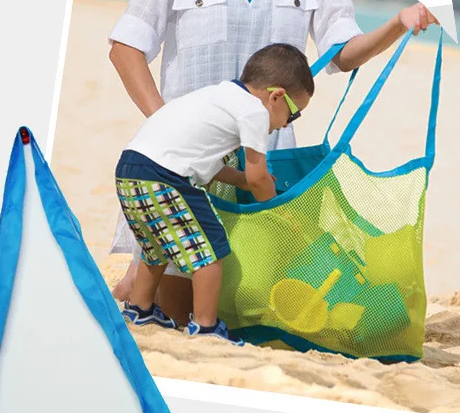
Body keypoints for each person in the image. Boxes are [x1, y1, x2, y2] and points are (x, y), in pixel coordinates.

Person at [107, 0, 438, 325]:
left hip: (263, 162)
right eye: (293, 114)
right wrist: (170, 127)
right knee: (180, 307)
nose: (291, 119)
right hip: (183, 174)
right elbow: (125, 46)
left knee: (250, 306)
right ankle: (149, 294)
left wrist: (399, 22)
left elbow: (343, 52)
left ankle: (141, 293)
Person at [116, 43, 314, 345]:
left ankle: (140, 309)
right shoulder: (255, 112)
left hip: (131, 169)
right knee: (210, 248)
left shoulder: (221, 95)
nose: (287, 124)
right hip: (167, 177)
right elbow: (259, 177)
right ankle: (206, 325)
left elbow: (208, 164)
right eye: (293, 114)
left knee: (156, 245)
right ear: (275, 96)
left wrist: (241, 181)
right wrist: (274, 211)